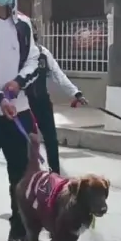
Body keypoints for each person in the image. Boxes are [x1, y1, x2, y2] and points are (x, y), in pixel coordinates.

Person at [0, 0, 41, 241]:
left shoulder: (23, 24)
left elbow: (35, 58)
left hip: (19, 112)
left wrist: (19, 83)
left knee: (22, 178)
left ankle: (20, 232)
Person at [25, 21, 88, 174]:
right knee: (26, 142)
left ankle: (55, 176)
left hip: (42, 104)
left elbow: (59, 75)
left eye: (33, 33)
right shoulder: (18, 55)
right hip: (23, 105)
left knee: (51, 141)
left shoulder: (43, 54)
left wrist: (76, 93)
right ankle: (27, 174)